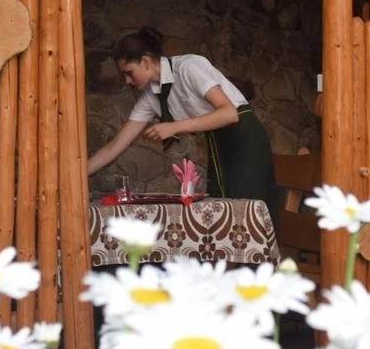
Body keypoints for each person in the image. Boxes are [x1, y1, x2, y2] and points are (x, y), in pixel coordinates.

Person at [88, 27, 280, 222]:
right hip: (217, 140)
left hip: (245, 135)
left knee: (244, 210)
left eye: (129, 72)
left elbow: (229, 113)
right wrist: (80, 173)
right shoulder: (150, 97)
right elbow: (115, 146)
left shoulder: (188, 67)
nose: (127, 81)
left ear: (145, 61)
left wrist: (174, 127)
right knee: (222, 209)